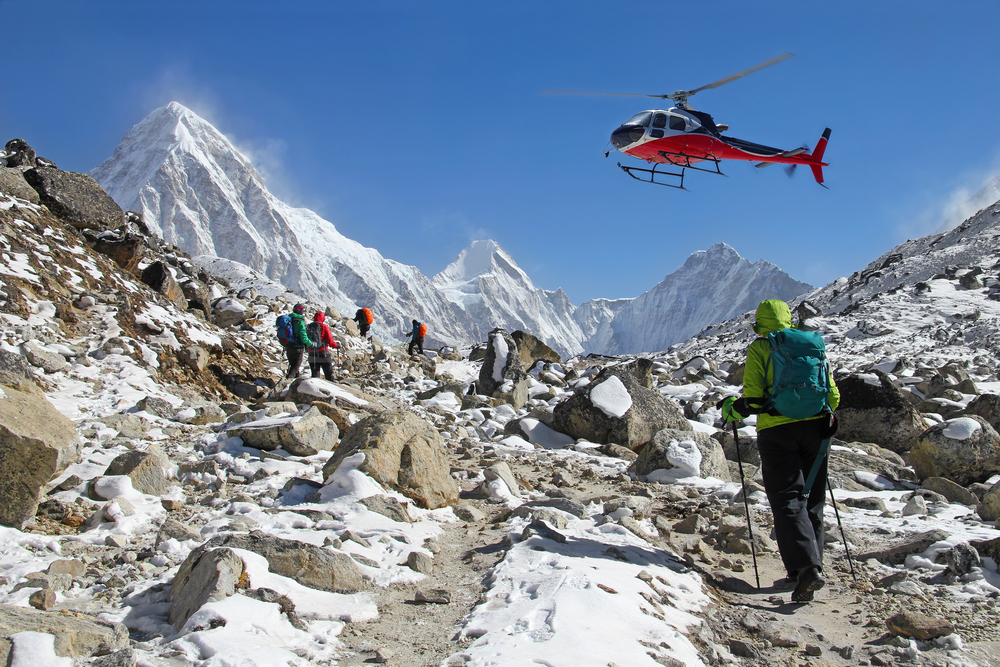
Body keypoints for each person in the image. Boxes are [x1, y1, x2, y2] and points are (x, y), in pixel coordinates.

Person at [721, 299, 840, 603]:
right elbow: (834, 395)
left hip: (777, 431)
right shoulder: (813, 344)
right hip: (817, 429)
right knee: (812, 498)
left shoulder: (761, 348)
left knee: (787, 497)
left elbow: (755, 400)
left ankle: (806, 569)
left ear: (759, 323)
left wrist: (734, 410)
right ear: (789, 320)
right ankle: (808, 569)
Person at [306, 311, 339, 380]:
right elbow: (330, 342)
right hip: (323, 354)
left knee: (315, 377)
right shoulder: (324, 327)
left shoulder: (309, 327)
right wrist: (337, 345)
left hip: (312, 354)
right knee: (329, 376)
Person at [284, 304, 314, 379]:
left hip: (288, 346)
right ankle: (287, 382)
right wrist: (310, 344)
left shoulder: (289, 320)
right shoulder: (300, 322)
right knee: (295, 367)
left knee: (293, 366)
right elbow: (303, 337)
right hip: (298, 347)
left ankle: (295, 383)